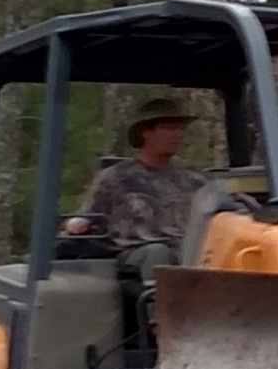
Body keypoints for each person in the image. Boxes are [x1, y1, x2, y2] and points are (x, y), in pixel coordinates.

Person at [75, 104, 204, 256]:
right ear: (146, 132)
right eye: (168, 128)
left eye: (180, 129)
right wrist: (78, 223)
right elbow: (87, 216)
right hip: (137, 251)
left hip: (187, 252)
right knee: (157, 252)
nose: (177, 135)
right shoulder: (116, 177)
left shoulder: (194, 181)